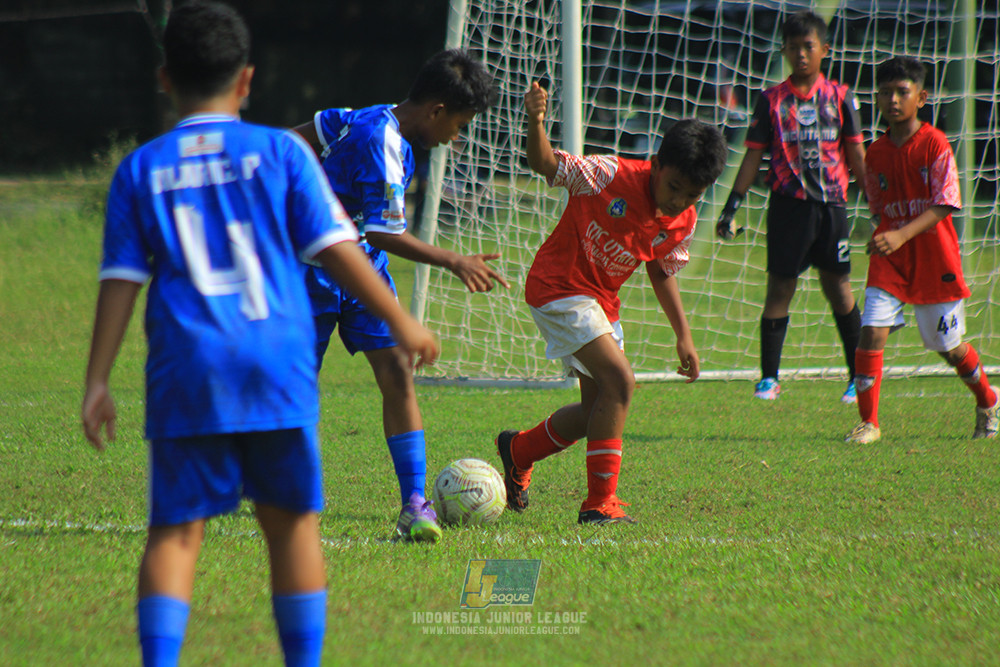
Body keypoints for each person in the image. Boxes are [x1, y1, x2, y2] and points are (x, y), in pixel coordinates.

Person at [80, 3, 438, 665]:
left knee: (175, 533)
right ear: (246, 80)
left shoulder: (141, 168)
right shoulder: (280, 152)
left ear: (165, 78)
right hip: (274, 361)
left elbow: (121, 279)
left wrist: (98, 379)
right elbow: (337, 246)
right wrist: (401, 320)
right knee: (292, 528)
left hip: (186, 365)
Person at [292, 49, 505, 543]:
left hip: (362, 271)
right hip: (309, 275)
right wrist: (454, 260)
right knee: (296, 387)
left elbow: (295, 139)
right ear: (436, 110)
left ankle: (414, 503)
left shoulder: (361, 117)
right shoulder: (381, 139)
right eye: (459, 124)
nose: (456, 136)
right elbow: (384, 232)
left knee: (397, 375)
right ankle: (280, 487)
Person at [495, 82, 727, 525]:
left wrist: (684, 336)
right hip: (559, 287)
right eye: (674, 187)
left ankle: (518, 450)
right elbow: (545, 164)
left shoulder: (683, 219)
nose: (678, 201)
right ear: (657, 165)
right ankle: (599, 504)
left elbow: (662, 269)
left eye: (692, 195)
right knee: (620, 382)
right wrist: (536, 121)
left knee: (596, 411)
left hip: (600, 303)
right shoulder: (608, 175)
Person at [844, 56, 998, 443]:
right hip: (892, 262)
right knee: (870, 332)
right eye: (885, 93)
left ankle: (989, 400)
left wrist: (899, 234)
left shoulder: (935, 144)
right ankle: (868, 423)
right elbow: (880, 206)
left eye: (902, 92)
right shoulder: (876, 153)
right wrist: (884, 236)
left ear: (921, 97)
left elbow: (945, 202)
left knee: (949, 348)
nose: (893, 100)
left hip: (934, 259)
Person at [716, 10, 866, 403]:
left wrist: (877, 205)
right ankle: (769, 379)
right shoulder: (771, 100)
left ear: (824, 50)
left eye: (808, 47)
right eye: (793, 47)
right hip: (788, 208)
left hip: (831, 207)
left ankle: (858, 377)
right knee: (780, 288)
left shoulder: (841, 97)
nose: (801, 54)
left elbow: (856, 154)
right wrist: (732, 205)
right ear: (783, 50)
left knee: (839, 287)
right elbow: (753, 156)